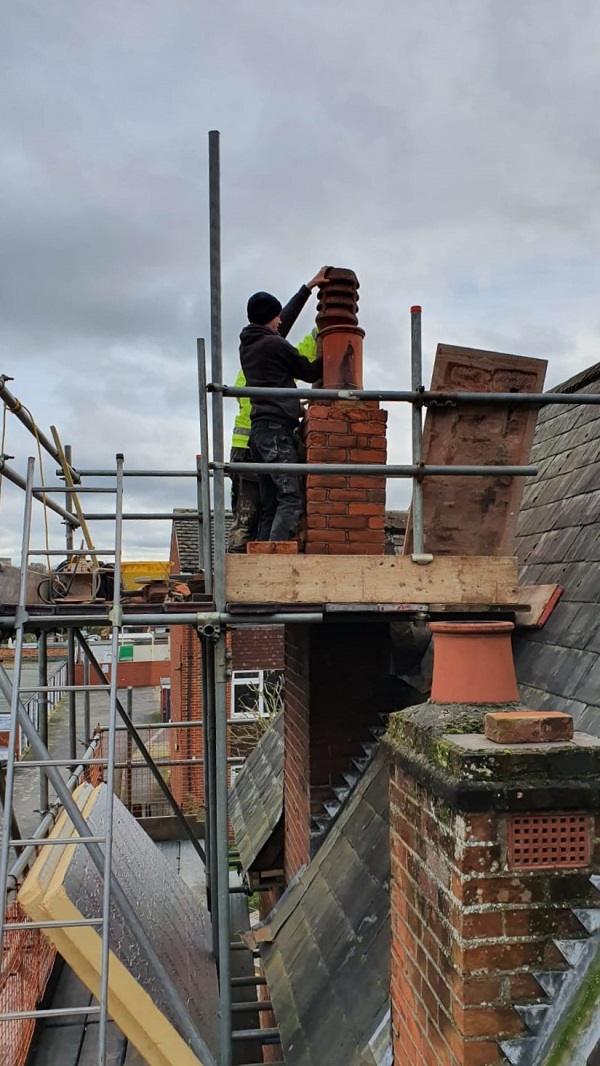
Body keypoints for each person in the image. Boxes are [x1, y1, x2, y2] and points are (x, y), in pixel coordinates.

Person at [240, 269, 328, 542]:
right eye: (276, 316)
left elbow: (281, 324)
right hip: (276, 434)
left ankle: (264, 563)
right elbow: (311, 372)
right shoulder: (275, 346)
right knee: (290, 498)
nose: (280, 320)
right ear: (269, 318)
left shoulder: (251, 343)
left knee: (271, 506)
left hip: (259, 436)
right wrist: (341, 350)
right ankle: (276, 559)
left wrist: (307, 288)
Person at [227, 328, 318, 552]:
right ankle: (246, 569)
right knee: (249, 520)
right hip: (255, 446)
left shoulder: (258, 356)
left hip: (255, 444)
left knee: (268, 508)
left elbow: (284, 338)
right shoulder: (260, 365)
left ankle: (256, 565)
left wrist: (316, 332)